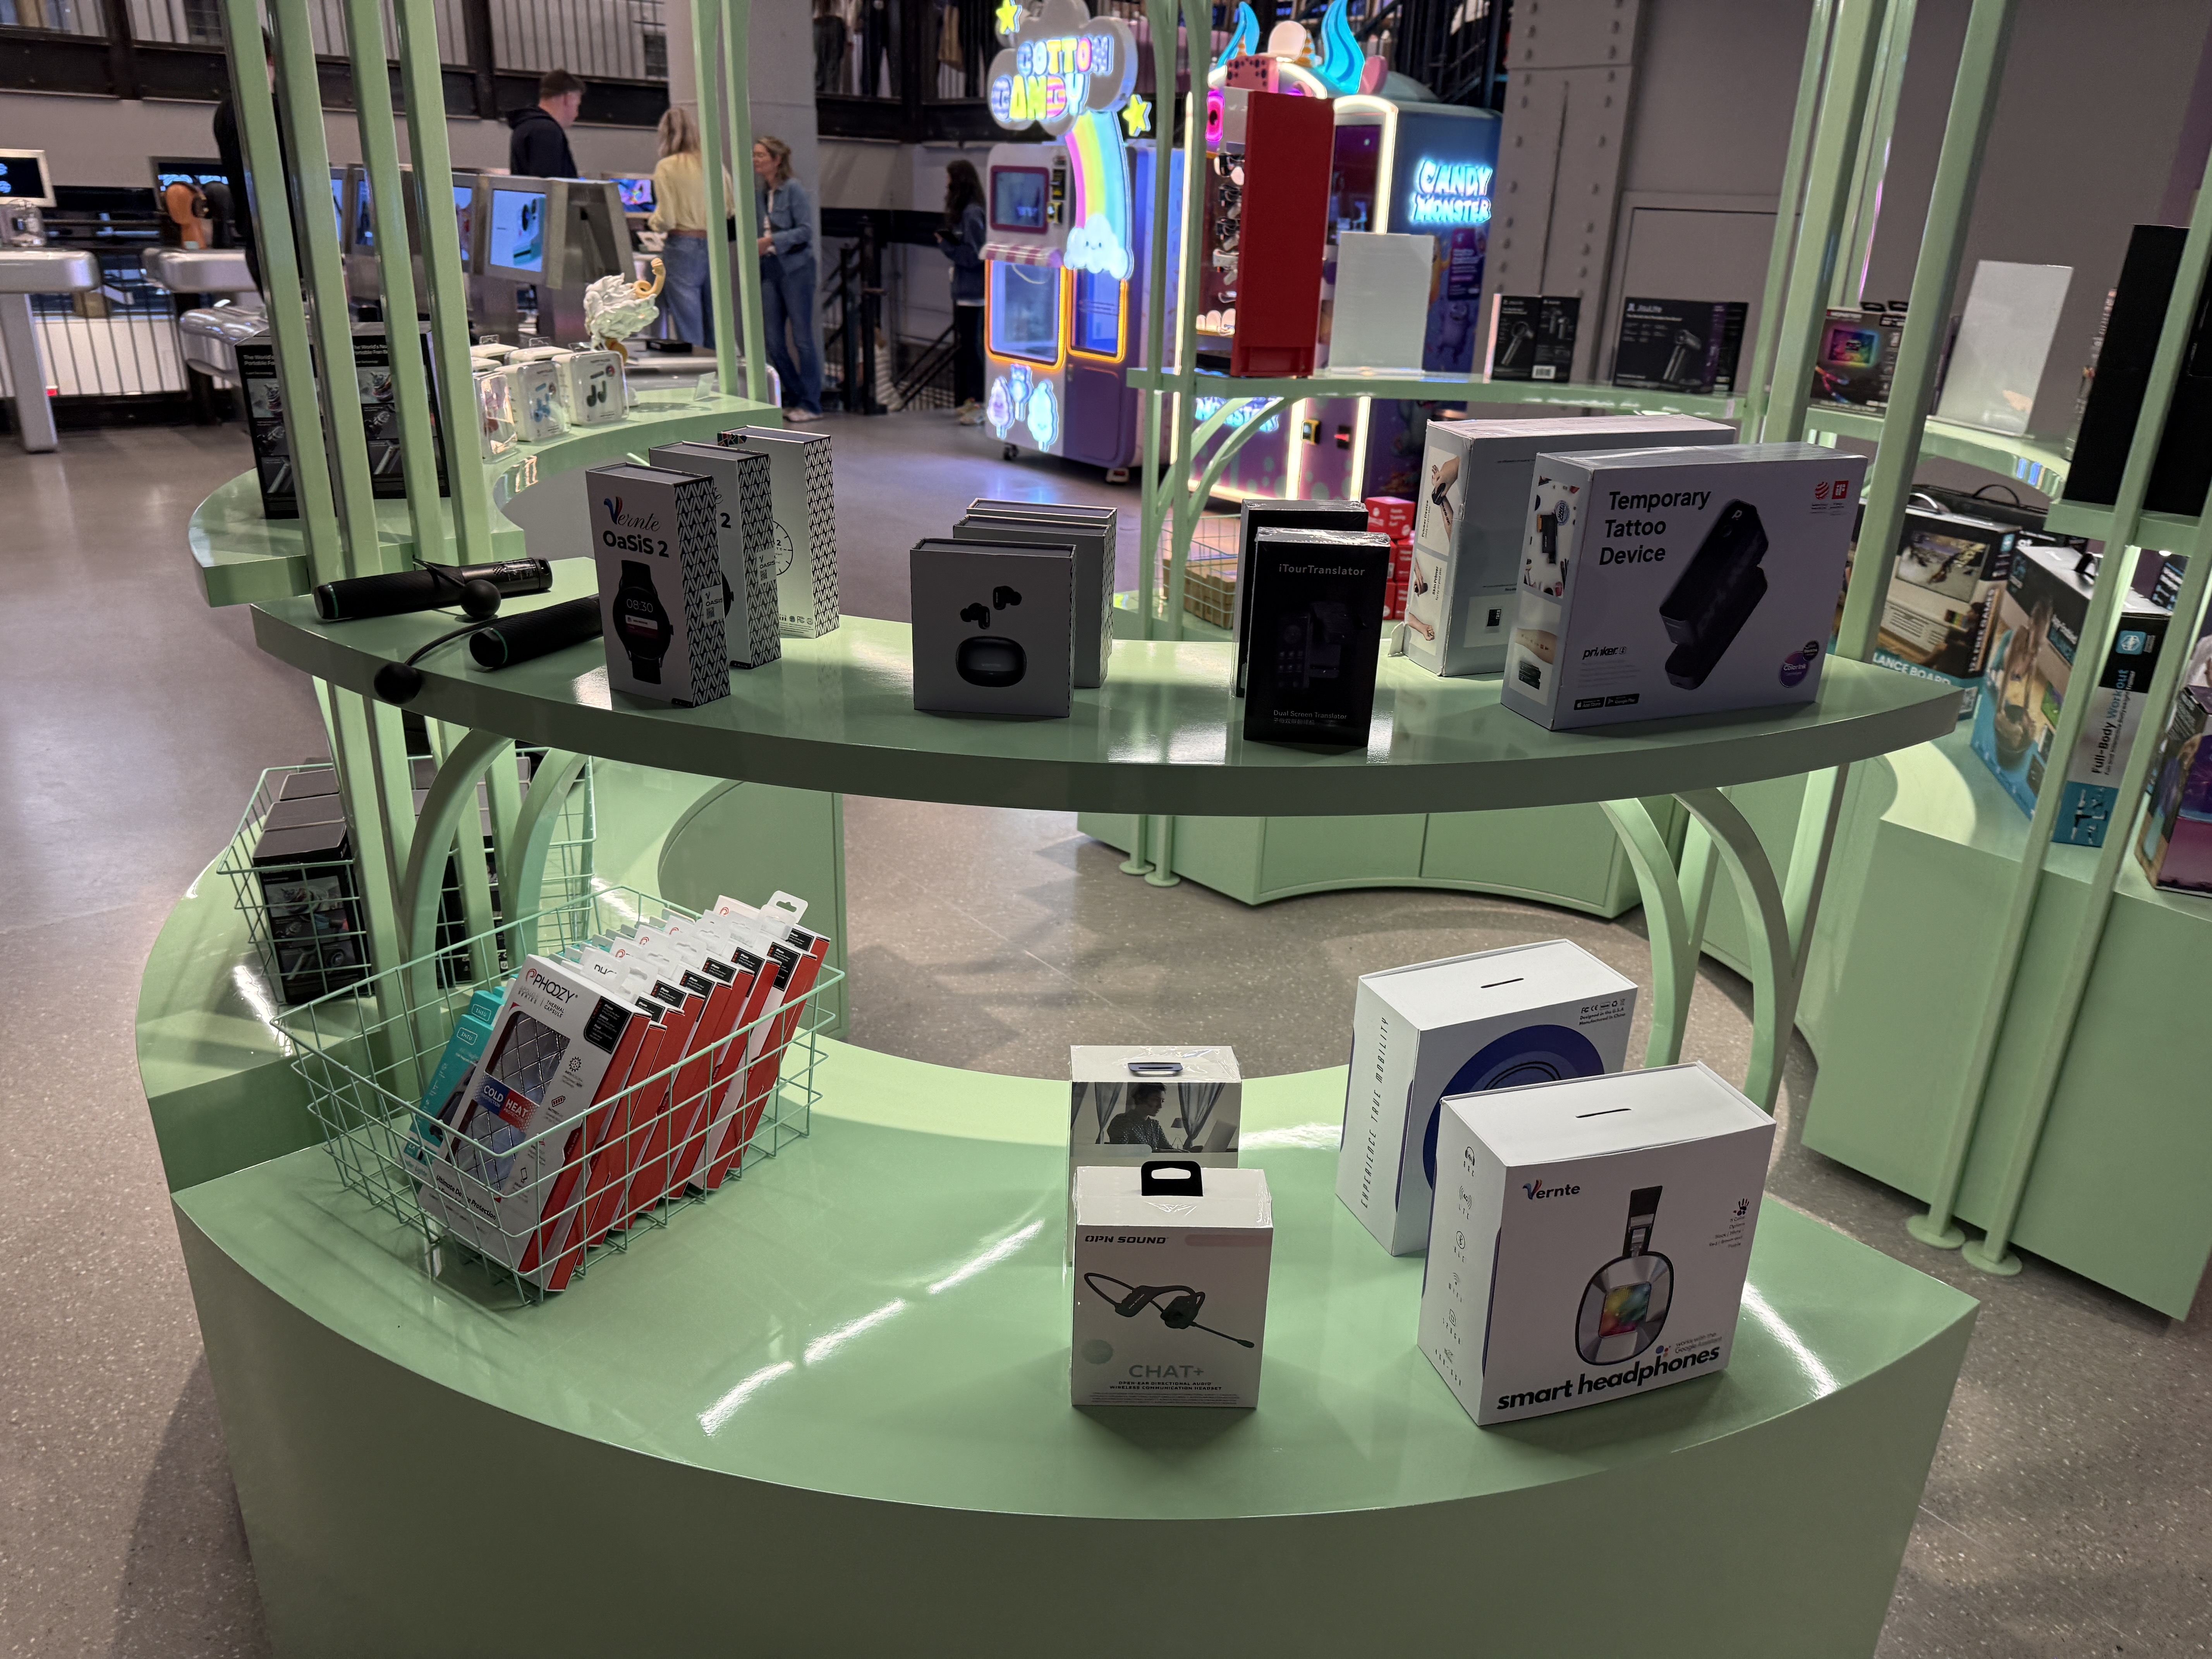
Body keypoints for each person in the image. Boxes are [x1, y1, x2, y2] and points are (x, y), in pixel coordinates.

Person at [753, 136, 823, 422]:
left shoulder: (793, 189)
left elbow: (805, 231)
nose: (756, 160)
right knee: (773, 340)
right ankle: (794, 395)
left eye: (761, 155)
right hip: (770, 267)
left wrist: (772, 240)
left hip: (796, 268)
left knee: (803, 338)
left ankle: (812, 403)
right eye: (755, 155)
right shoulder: (761, 193)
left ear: (777, 160)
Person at [647, 106, 728, 350]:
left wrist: (652, 223)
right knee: (719, 324)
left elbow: (667, 219)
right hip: (715, 247)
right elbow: (729, 208)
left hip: (682, 248)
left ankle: (697, 372)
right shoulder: (715, 164)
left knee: (690, 329)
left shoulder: (667, 167)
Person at [935, 158, 987, 424]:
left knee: (974, 349)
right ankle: (973, 398)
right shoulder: (969, 212)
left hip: (974, 293)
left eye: (949, 180)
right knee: (968, 348)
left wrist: (948, 246)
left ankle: (980, 402)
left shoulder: (972, 213)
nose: (947, 186)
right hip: (966, 292)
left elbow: (975, 255)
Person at [508, 69, 583, 178]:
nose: (576, 114)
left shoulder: (524, 126)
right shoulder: (547, 131)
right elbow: (547, 184)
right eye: (577, 105)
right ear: (568, 99)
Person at [1104, 1083, 1174, 1152]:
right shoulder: (1122, 1121)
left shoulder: (1155, 1125)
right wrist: (1158, 1152)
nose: (1160, 1106)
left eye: (1162, 1101)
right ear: (1139, 1099)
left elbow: (1168, 1149)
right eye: (1155, 1100)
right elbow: (1121, 1151)